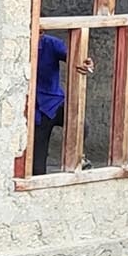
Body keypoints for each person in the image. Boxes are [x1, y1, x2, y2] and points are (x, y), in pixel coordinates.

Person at [31, 33, 93, 176]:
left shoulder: (51, 43)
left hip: (54, 102)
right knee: (37, 169)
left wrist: (85, 62)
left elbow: (74, 57)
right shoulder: (20, 45)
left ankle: (79, 157)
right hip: (36, 112)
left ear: (42, 33)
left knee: (81, 124)